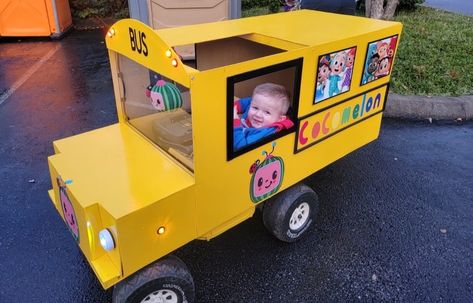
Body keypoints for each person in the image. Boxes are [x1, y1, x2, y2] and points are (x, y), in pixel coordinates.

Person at [233, 83, 293, 151]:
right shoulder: (256, 104)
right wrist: (234, 107)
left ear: (280, 119)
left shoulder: (267, 131)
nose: (258, 114)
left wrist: (235, 121)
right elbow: (248, 101)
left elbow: (241, 147)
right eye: (255, 108)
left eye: (267, 112)